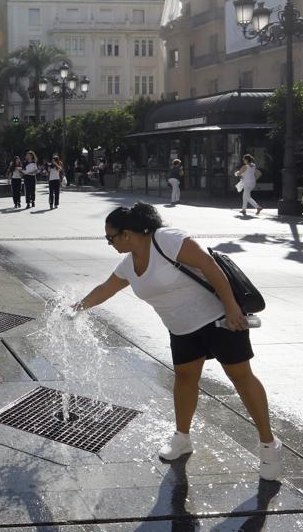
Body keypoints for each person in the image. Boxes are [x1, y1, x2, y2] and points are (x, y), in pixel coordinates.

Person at [75, 203, 281, 480]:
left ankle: (269, 445)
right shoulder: (129, 263)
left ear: (126, 234)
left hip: (218, 319)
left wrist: (232, 307)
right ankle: (182, 438)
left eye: (110, 237)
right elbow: (105, 289)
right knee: (184, 378)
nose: (109, 243)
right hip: (181, 329)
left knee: (240, 377)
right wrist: (75, 308)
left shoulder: (167, 240)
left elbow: (210, 266)